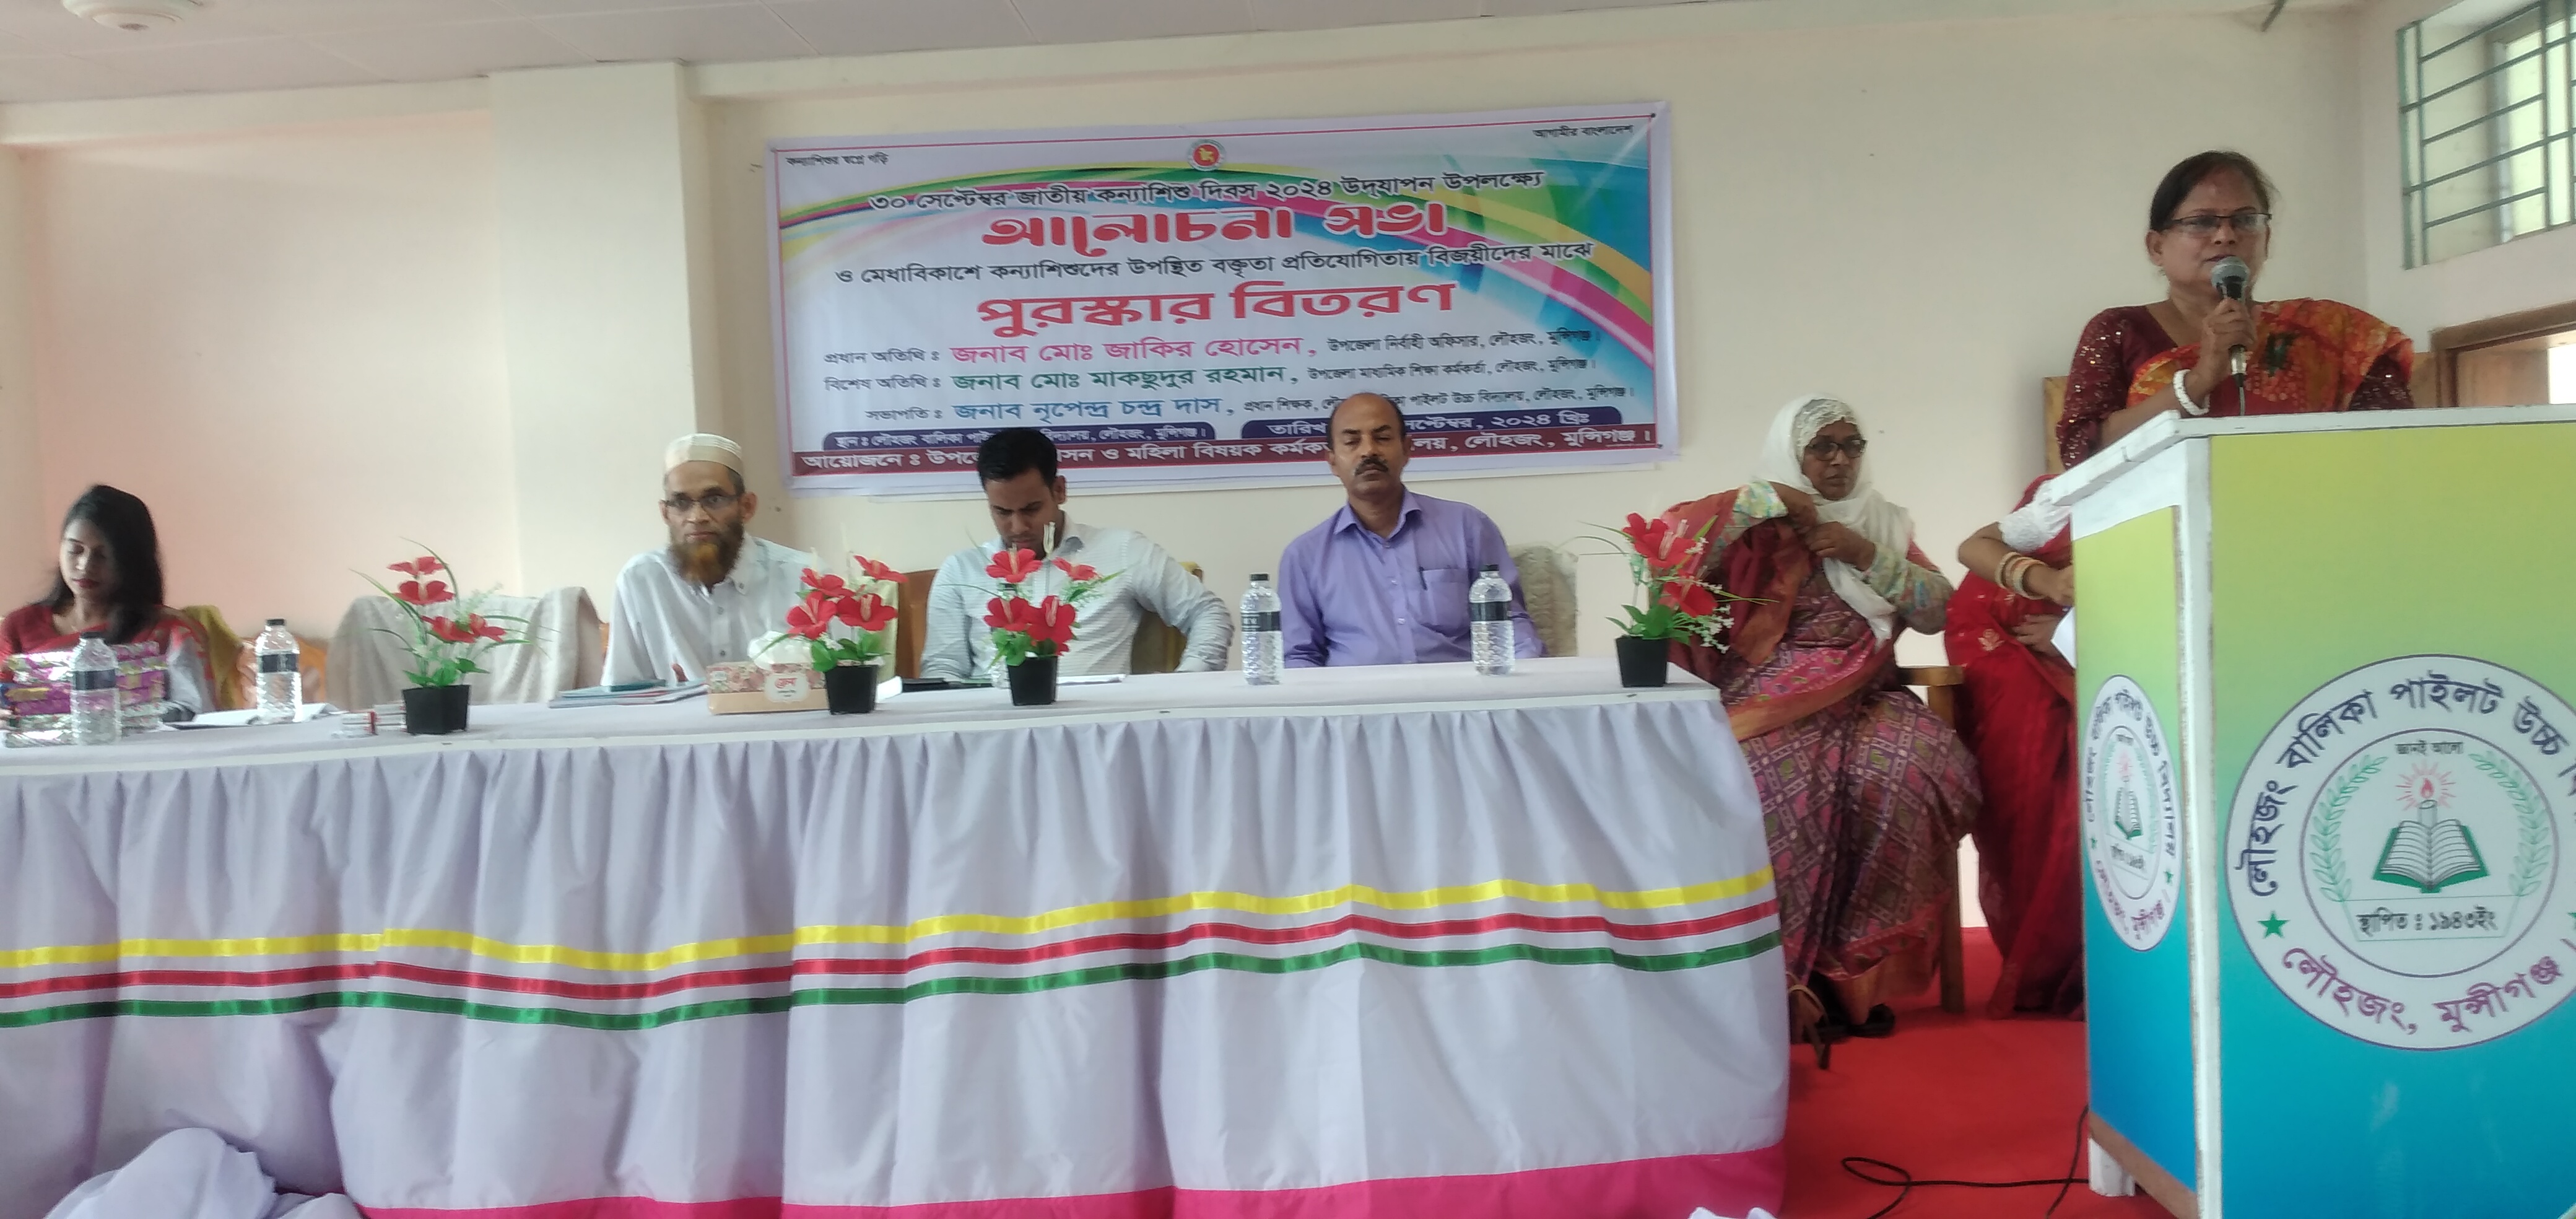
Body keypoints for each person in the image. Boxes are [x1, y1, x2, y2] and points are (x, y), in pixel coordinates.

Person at [1664, 396, 1980, 1063]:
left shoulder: (1883, 522)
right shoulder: (1754, 521)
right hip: (1769, 696)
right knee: (1769, 786)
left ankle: (1853, 983)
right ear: (1791, 454)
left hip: (1867, 695)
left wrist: (1864, 552)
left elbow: (1935, 611)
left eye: (1851, 446)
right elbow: (1672, 555)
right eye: (1822, 448)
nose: (1839, 461)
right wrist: (1762, 502)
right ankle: (1771, 985)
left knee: (1908, 770)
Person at [2057, 150, 2416, 469]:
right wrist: (2198, 382)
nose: (2226, 236)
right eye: (2201, 222)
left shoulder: (2330, 334)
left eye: (2245, 220)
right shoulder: (2118, 330)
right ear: (2157, 247)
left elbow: (2394, 444)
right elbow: (2080, 453)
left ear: (2266, 239)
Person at [920, 428, 1229, 679]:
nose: (1017, 527)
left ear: (1059, 490)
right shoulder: (962, 570)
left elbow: (1208, 612)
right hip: (994, 725)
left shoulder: (1122, 550)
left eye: (1031, 509)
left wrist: (1187, 681)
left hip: (1097, 726)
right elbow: (943, 666)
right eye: (1002, 512)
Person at [1947, 479, 2082, 1018]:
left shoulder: (2175, 487)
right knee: (2027, 779)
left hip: (2100, 657)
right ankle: (2041, 961)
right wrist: (2047, 581)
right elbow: (1973, 548)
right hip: (2008, 654)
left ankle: (2094, 961)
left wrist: (2074, 632)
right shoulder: (2068, 494)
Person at [1277, 393, 1541, 668]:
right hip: (1359, 695)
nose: (1369, 451)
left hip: (1459, 691)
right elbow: (1299, 656)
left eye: (1382, 438)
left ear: (1406, 450)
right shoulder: (1305, 557)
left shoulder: (1468, 528)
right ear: (1332, 461)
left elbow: (1509, 623)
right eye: (1352, 442)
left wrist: (1525, 676)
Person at [605, 434, 816, 685]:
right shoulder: (641, 580)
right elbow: (623, 690)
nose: (697, 517)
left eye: (714, 500)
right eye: (681, 503)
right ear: (665, 513)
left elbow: (838, 683)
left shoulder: (803, 577)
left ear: (746, 506)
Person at [1, 484, 214, 715]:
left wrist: (122, 716)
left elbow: (196, 714)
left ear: (132, 562)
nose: (85, 566)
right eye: (75, 550)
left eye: (103, 555)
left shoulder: (165, 631)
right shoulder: (19, 626)